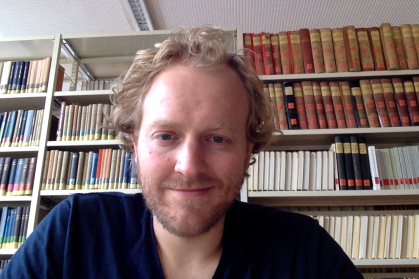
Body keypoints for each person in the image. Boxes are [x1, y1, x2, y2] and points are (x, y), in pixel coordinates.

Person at [0, 26, 363, 278]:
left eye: (218, 139)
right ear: (134, 142)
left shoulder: (304, 251)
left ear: (248, 149)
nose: (189, 167)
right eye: (166, 136)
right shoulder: (73, 233)